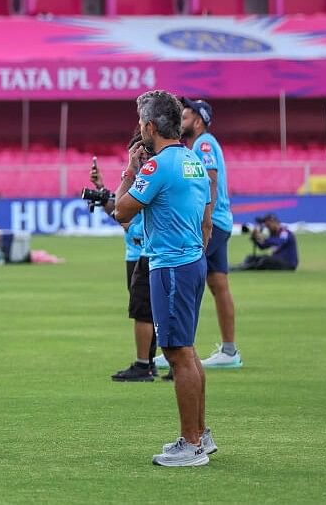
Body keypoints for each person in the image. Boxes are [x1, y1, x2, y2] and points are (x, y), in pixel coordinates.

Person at [112, 90, 215, 467]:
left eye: (141, 121)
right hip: (191, 260)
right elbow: (207, 216)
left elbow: (121, 211)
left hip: (169, 266)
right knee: (186, 350)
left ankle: (190, 444)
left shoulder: (159, 166)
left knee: (175, 353)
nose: (139, 128)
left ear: (151, 126)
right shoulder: (192, 160)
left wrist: (130, 169)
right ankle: (201, 435)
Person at [162, 97, 241, 370]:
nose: (180, 121)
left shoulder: (203, 144)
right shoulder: (203, 144)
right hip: (221, 221)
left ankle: (180, 347)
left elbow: (211, 181)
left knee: (185, 279)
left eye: (184, 117)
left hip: (212, 222)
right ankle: (229, 351)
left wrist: (201, 222)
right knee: (219, 285)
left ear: (198, 120)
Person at [92, 134, 159, 383]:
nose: (133, 159)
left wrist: (130, 172)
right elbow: (117, 210)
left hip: (145, 251)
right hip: (136, 251)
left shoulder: (149, 178)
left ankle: (146, 364)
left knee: (144, 310)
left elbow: (123, 213)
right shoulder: (144, 178)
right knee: (150, 309)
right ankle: (153, 361)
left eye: (137, 155)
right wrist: (101, 189)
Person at [233, 214, 298, 271]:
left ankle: (245, 268)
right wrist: (255, 239)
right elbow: (263, 247)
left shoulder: (284, 232)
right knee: (251, 258)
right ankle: (241, 266)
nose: (267, 227)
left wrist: (262, 238)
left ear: (275, 222)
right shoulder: (273, 234)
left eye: (268, 225)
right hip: (277, 260)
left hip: (288, 263)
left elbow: (279, 241)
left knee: (265, 260)